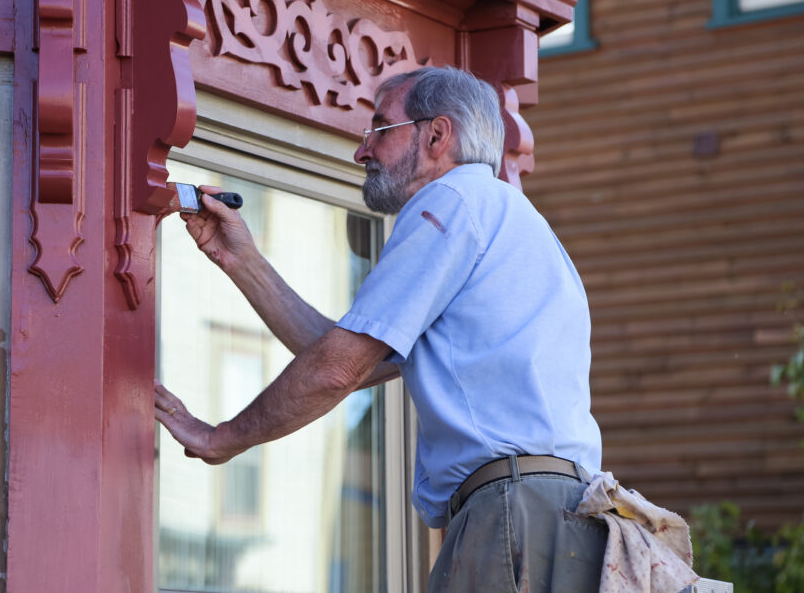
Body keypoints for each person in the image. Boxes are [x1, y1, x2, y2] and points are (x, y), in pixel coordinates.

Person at [154, 66, 608, 591]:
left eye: (379, 129)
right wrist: (241, 260)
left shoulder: (451, 202)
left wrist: (221, 437)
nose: (361, 152)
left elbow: (337, 369)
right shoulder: (509, 219)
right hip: (560, 514)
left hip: (514, 512)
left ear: (437, 135)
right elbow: (332, 353)